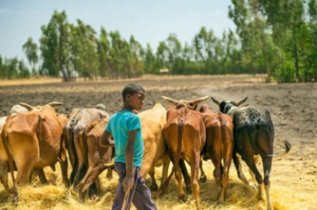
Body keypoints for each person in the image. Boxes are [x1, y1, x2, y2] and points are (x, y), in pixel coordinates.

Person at [100, 83, 157, 210]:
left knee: (137, 199)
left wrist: (117, 143)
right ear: (128, 97)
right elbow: (130, 147)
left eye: (143, 99)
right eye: (140, 98)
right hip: (131, 166)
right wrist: (130, 175)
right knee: (128, 203)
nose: (142, 102)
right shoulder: (133, 119)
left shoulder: (114, 118)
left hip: (121, 163)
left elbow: (103, 141)